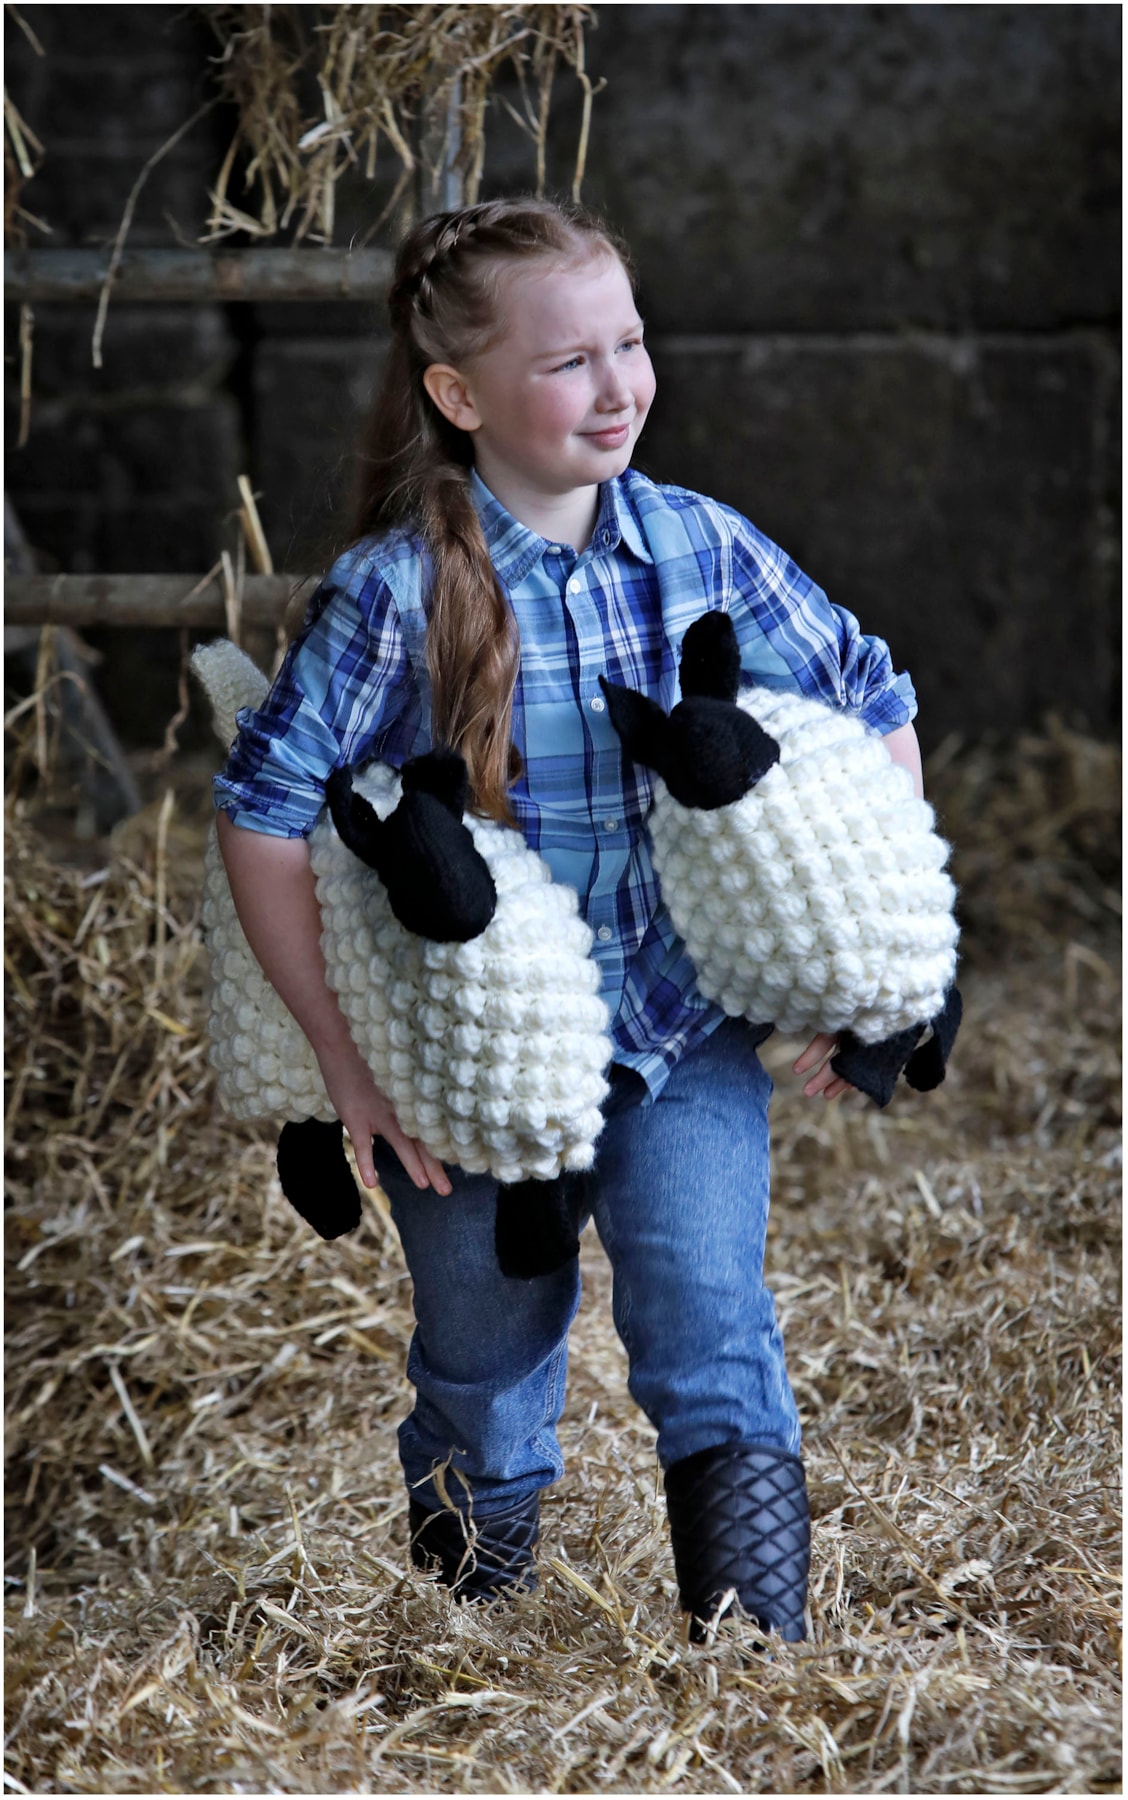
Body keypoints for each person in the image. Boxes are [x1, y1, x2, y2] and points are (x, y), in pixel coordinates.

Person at [214, 196, 924, 1642]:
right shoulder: (393, 591)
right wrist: (344, 1065)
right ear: (458, 396)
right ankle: (475, 1635)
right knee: (483, 1354)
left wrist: (863, 949)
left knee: (709, 1317)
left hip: (680, 1029)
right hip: (469, 1058)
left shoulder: (703, 550)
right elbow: (262, 808)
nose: (618, 387)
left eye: (631, 344)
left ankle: (754, 1655)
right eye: (569, 363)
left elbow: (873, 698)